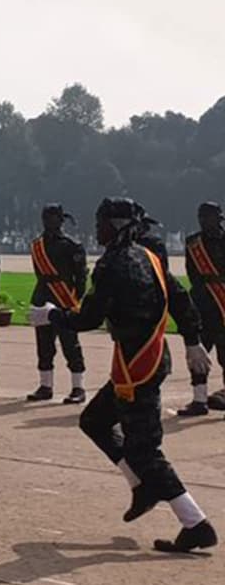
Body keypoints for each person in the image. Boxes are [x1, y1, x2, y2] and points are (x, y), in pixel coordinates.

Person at [31, 197, 217, 553]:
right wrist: (192, 341)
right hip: (149, 358)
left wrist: (52, 315)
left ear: (116, 227)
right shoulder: (149, 257)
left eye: (101, 223)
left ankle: (196, 524)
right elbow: (179, 298)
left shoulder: (111, 265)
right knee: (95, 420)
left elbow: (87, 319)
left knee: (145, 450)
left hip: (137, 369)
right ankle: (141, 486)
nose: (96, 229)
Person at [27, 204, 88, 404]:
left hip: (64, 299)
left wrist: (75, 299)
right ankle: (46, 386)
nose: (49, 221)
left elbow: (80, 277)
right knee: (44, 345)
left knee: (70, 345)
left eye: (53, 217)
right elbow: (39, 273)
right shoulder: (37, 245)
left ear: (61, 220)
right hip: (43, 297)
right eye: (46, 217)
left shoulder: (72, 245)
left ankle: (78, 387)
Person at [179, 201, 225, 416]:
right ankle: (199, 400)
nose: (205, 220)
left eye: (209, 216)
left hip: (223, 305)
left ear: (219, 217)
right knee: (198, 354)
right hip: (202, 305)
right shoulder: (193, 244)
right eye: (201, 216)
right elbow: (192, 274)